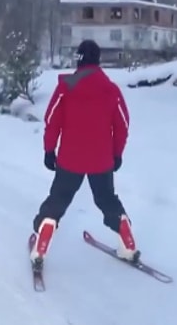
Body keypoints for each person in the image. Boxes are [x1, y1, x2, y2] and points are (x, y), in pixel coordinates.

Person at [29, 40, 138, 269]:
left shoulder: (66, 87)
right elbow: (123, 125)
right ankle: (126, 237)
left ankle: (43, 238)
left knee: (58, 200)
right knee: (107, 199)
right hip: (102, 159)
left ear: (78, 59)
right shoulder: (111, 90)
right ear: (98, 60)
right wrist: (117, 154)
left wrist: (49, 150)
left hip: (71, 159)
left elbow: (52, 121)